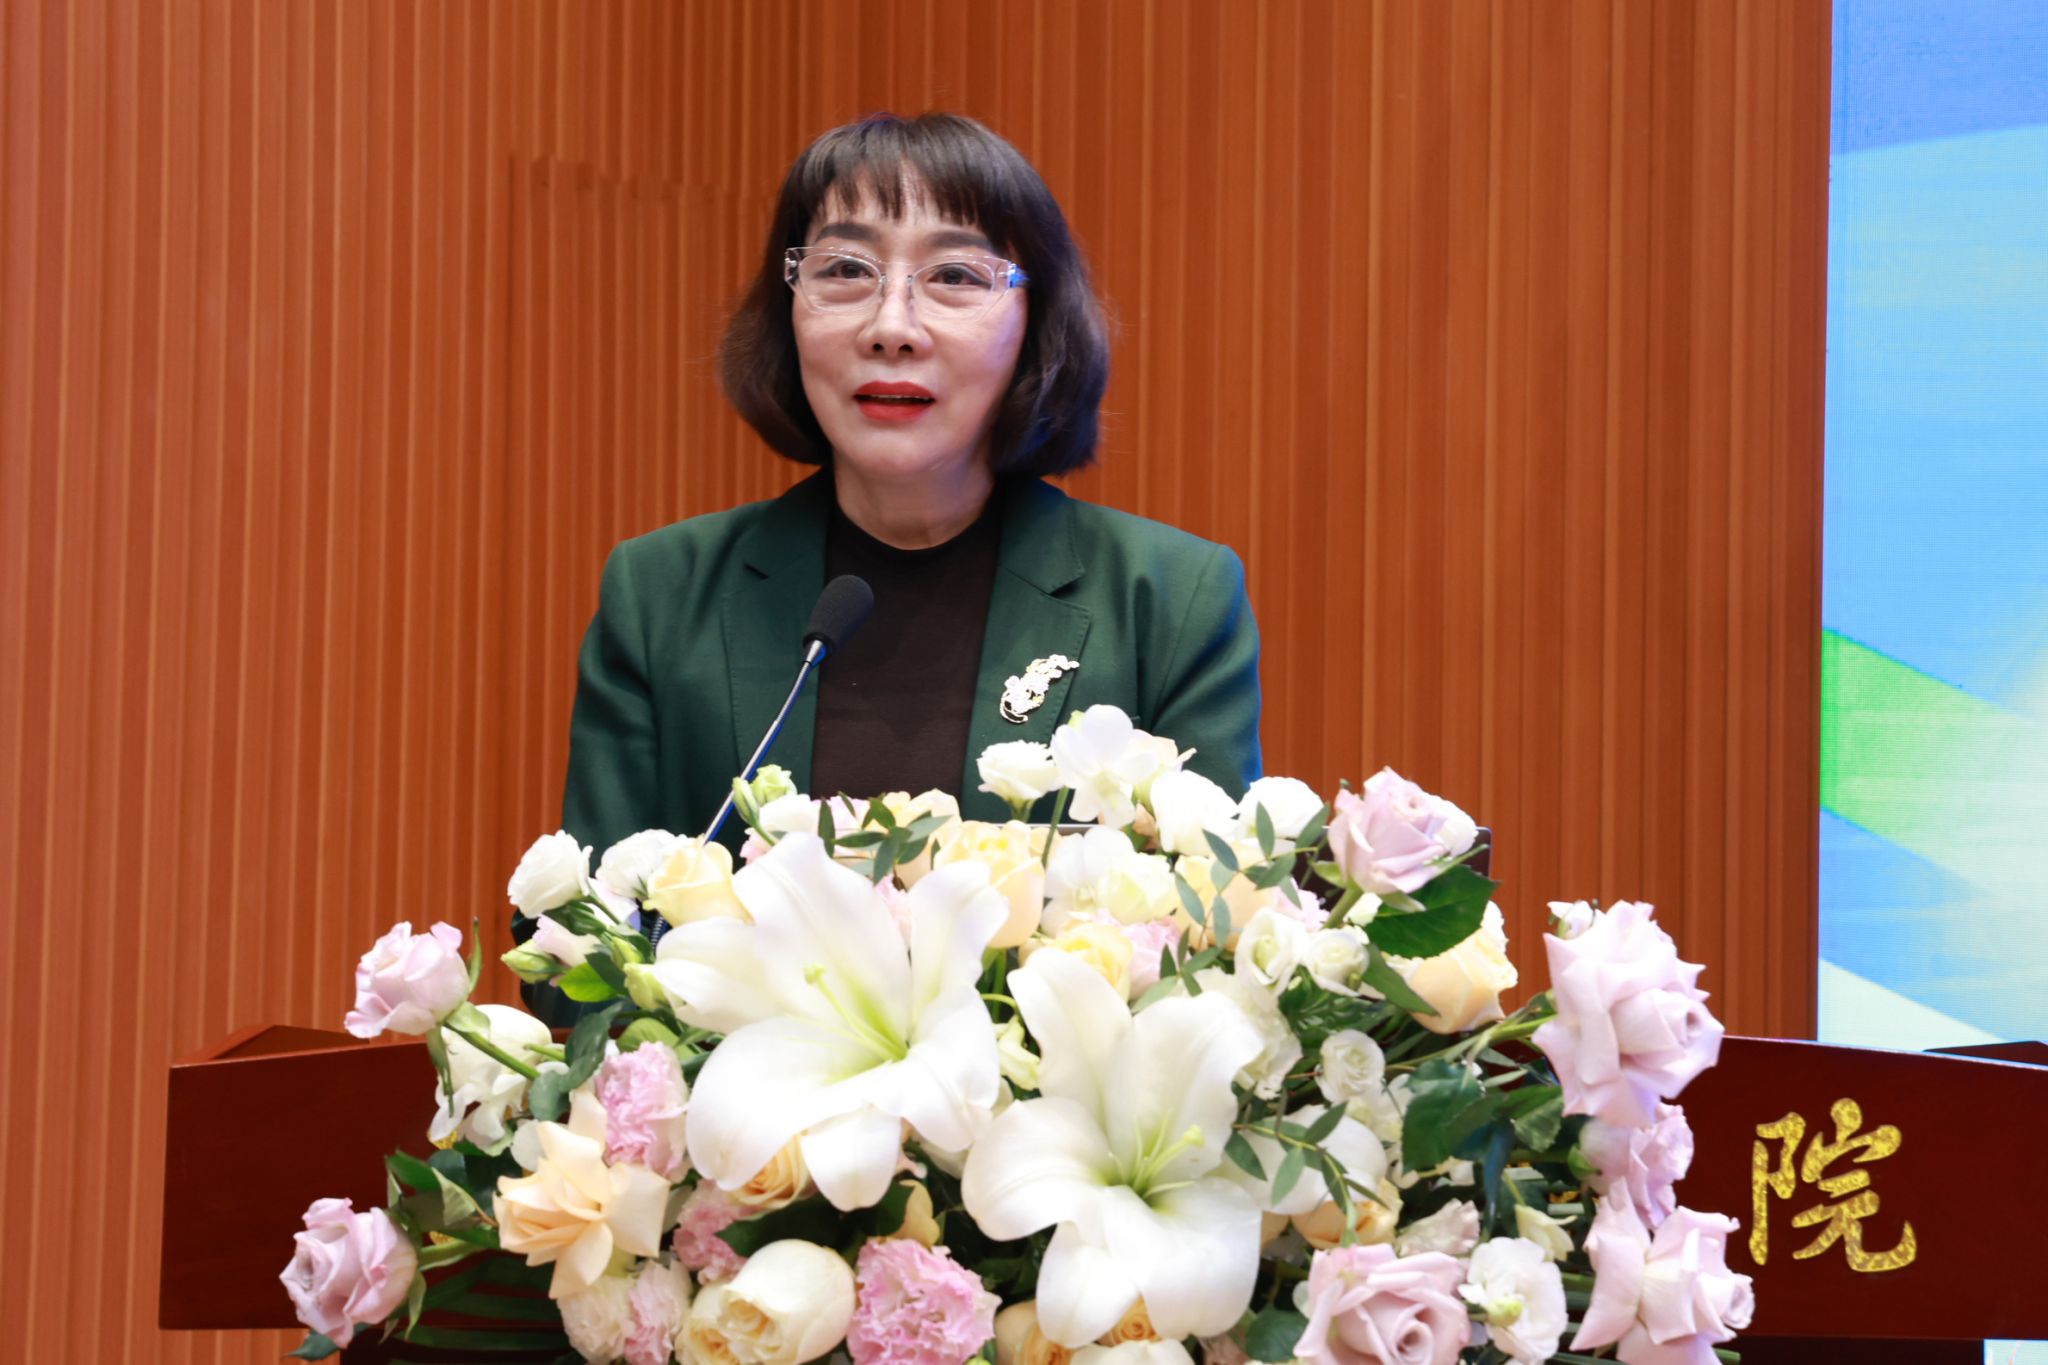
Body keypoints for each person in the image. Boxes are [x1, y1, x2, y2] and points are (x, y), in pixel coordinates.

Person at [533, 114, 1260, 1009]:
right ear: (789, 307)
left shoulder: (1168, 599)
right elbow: (582, 969)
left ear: (1035, 322)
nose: (892, 326)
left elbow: (1215, 959)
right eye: (845, 270)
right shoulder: (662, 594)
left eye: (954, 276)